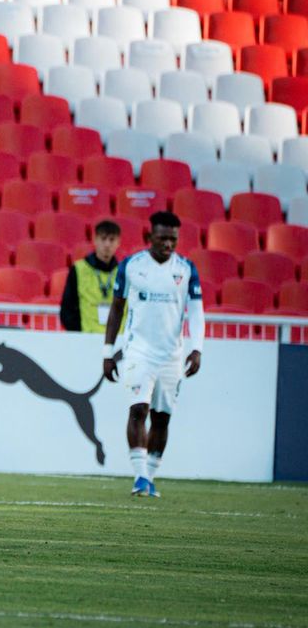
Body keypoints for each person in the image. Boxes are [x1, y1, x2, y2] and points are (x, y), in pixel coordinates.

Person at [103, 211, 204, 498]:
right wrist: (108, 351)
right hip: (138, 351)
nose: (168, 244)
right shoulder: (132, 266)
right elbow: (117, 309)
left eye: (173, 239)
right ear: (150, 237)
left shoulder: (186, 269)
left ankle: (150, 474)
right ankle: (140, 477)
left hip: (172, 355)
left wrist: (197, 348)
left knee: (162, 418)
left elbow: (196, 312)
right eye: (162, 238)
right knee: (138, 409)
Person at [60, 220, 123, 333]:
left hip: (117, 341)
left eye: (112, 239)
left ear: (118, 242)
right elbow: (67, 310)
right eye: (103, 239)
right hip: (86, 339)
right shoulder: (78, 269)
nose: (107, 244)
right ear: (95, 240)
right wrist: (80, 333)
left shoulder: (124, 273)